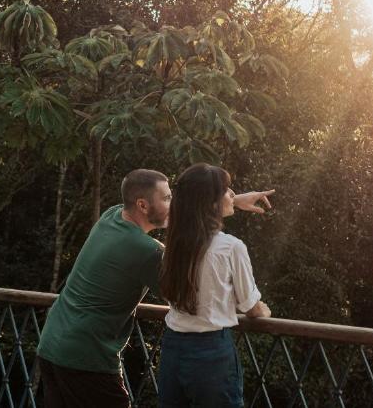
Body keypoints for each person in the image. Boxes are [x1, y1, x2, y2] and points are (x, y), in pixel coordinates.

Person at [37, 168, 274, 408]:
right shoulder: (147, 252)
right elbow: (194, 294)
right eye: (167, 198)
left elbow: (187, 232)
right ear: (142, 205)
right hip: (86, 357)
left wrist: (228, 200)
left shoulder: (112, 216)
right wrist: (216, 205)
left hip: (51, 343)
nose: (174, 204)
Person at [157, 163, 271, 408]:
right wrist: (263, 310)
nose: (232, 194)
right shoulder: (231, 247)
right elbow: (250, 307)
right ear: (210, 203)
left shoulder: (176, 240)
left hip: (173, 350)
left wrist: (234, 200)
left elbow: (188, 206)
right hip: (210, 355)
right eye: (227, 190)